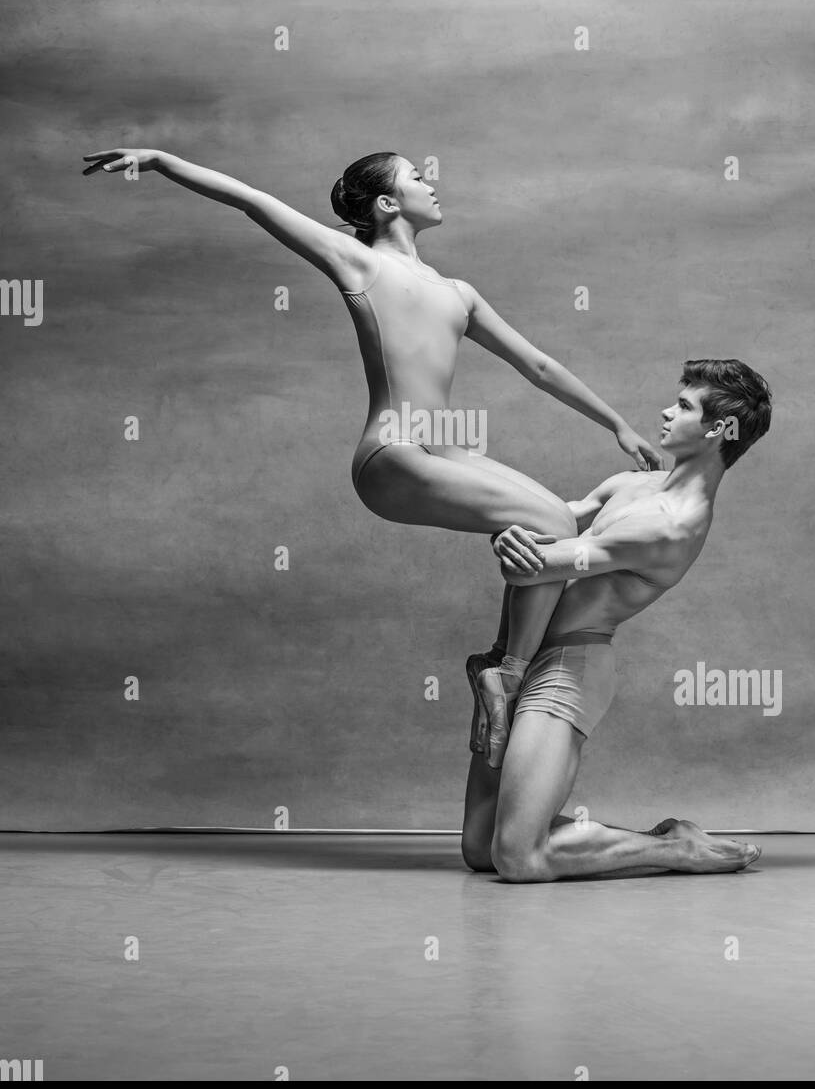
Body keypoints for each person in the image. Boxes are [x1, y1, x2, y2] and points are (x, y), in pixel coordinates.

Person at [83, 146, 660, 705]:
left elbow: (536, 365)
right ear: (387, 203)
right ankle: (508, 673)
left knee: (558, 520)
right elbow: (252, 200)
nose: (431, 184)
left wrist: (616, 424)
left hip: (443, 452)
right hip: (393, 454)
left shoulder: (458, 293)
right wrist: (162, 161)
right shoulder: (360, 263)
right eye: (416, 176)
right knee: (546, 519)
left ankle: (499, 662)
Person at [461, 358, 772, 880]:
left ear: (720, 430)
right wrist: (506, 533)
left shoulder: (673, 526)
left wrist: (510, 539)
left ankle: (676, 847)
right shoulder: (631, 485)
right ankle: (548, 828)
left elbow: (536, 562)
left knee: (517, 858)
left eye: (685, 406)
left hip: (567, 666)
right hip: (515, 656)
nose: (666, 411)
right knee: (479, 848)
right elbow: (543, 522)